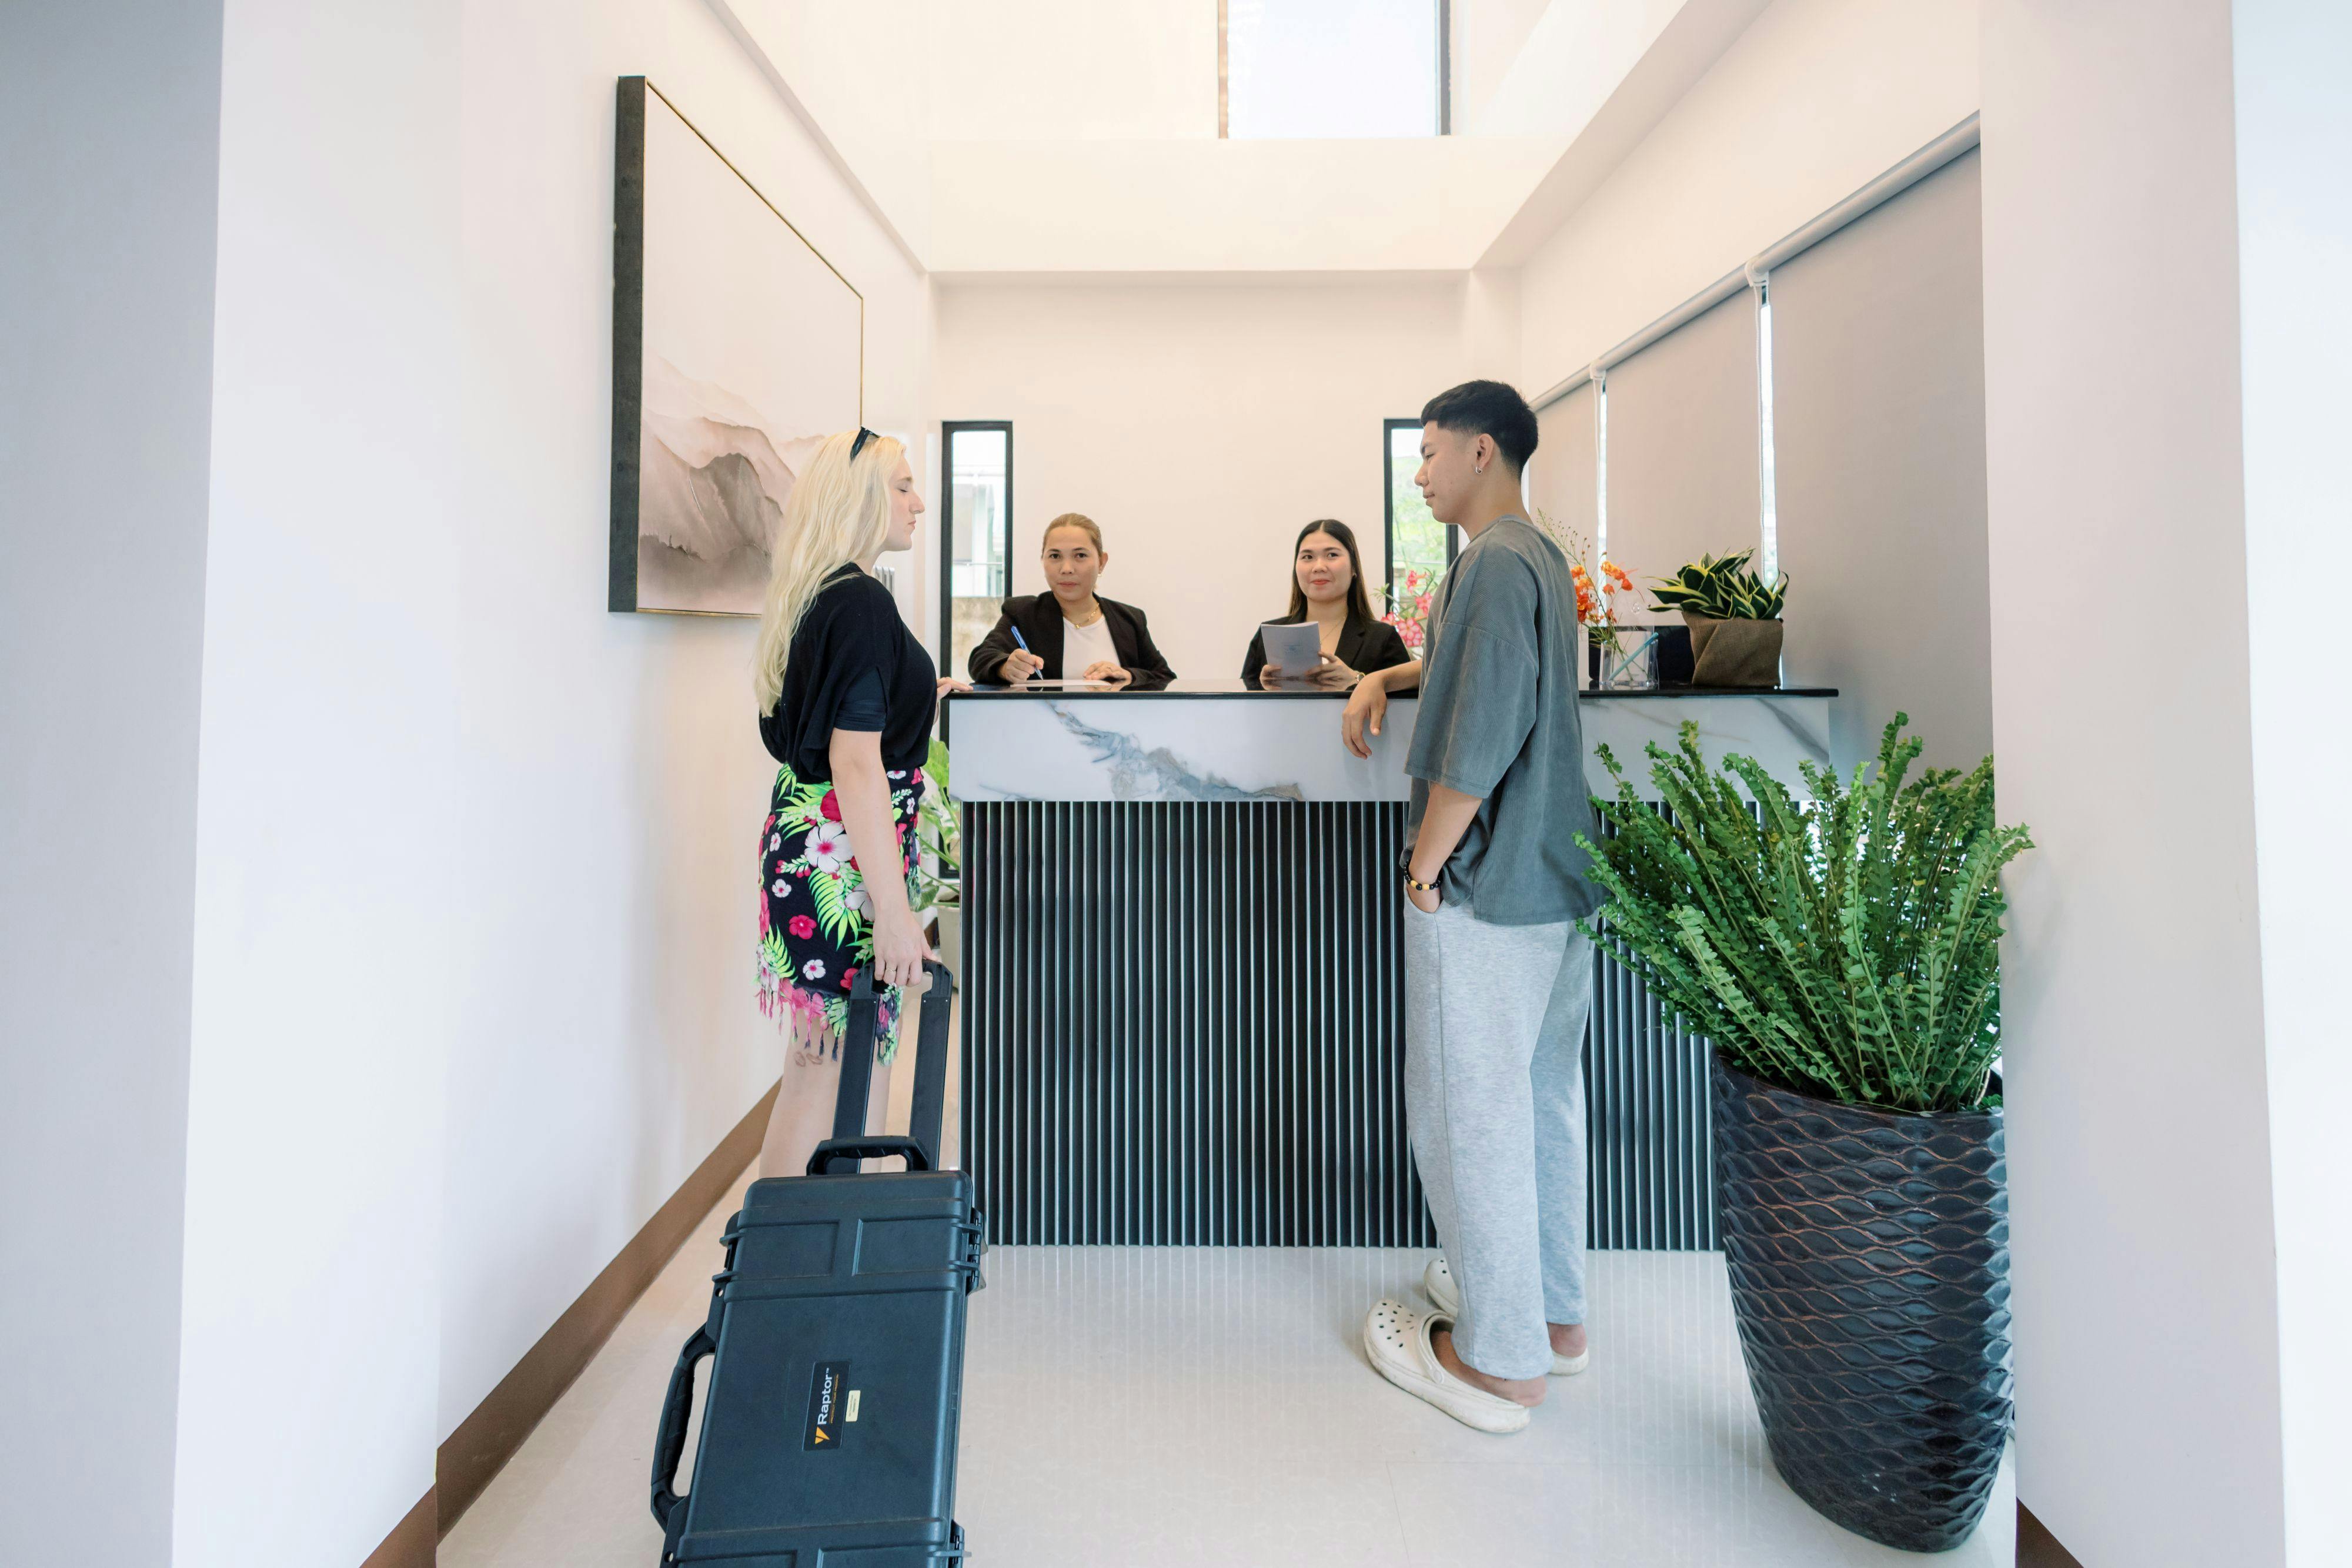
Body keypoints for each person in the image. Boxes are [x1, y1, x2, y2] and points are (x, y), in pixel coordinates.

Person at [1349, 382, 1602, 1436]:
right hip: (1555, 877)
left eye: (1429, 452)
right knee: (1537, 1101)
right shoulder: (1529, 556)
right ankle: (1553, 1320)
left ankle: (1498, 1362)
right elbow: (1490, 670)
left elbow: (1483, 734)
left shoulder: (1493, 562)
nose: (1419, 473)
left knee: (1470, 1113)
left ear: (1482, 451)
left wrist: (1424, 867)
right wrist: (1388, 674)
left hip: (1488, 887)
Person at [751, 426, 964, 1178]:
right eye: (903, 486)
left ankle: (835, 1238)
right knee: (830, 1064)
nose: (918, 503)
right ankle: (791, 1249)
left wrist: (916, 697)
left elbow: (839, 725)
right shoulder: (862, 601)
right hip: (844, 863)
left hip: (822, 850)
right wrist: (897, 915)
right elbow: (853, 761)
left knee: (841, 1058)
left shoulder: (827, 593)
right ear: (860, 498)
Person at [967, 513, 1177, 688]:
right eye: (1055, 556)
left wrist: (1128, 675)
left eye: (1080, 556)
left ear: (1102, 562)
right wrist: (1005, 667)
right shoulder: (1023, 614)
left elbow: (1164, 677)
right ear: (1043, 561)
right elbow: (981, 659)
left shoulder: (1130, 619)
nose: (1066, 569)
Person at [1239, 519, 1416, 689]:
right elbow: (1243, 705)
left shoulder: (1383, 639)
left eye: (1332, 555)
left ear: (1354, 567)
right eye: (1308, 557)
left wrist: (1357, 679)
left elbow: (1407, 703)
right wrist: (1260, 688)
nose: (1319, 567)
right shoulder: (1268, 636)